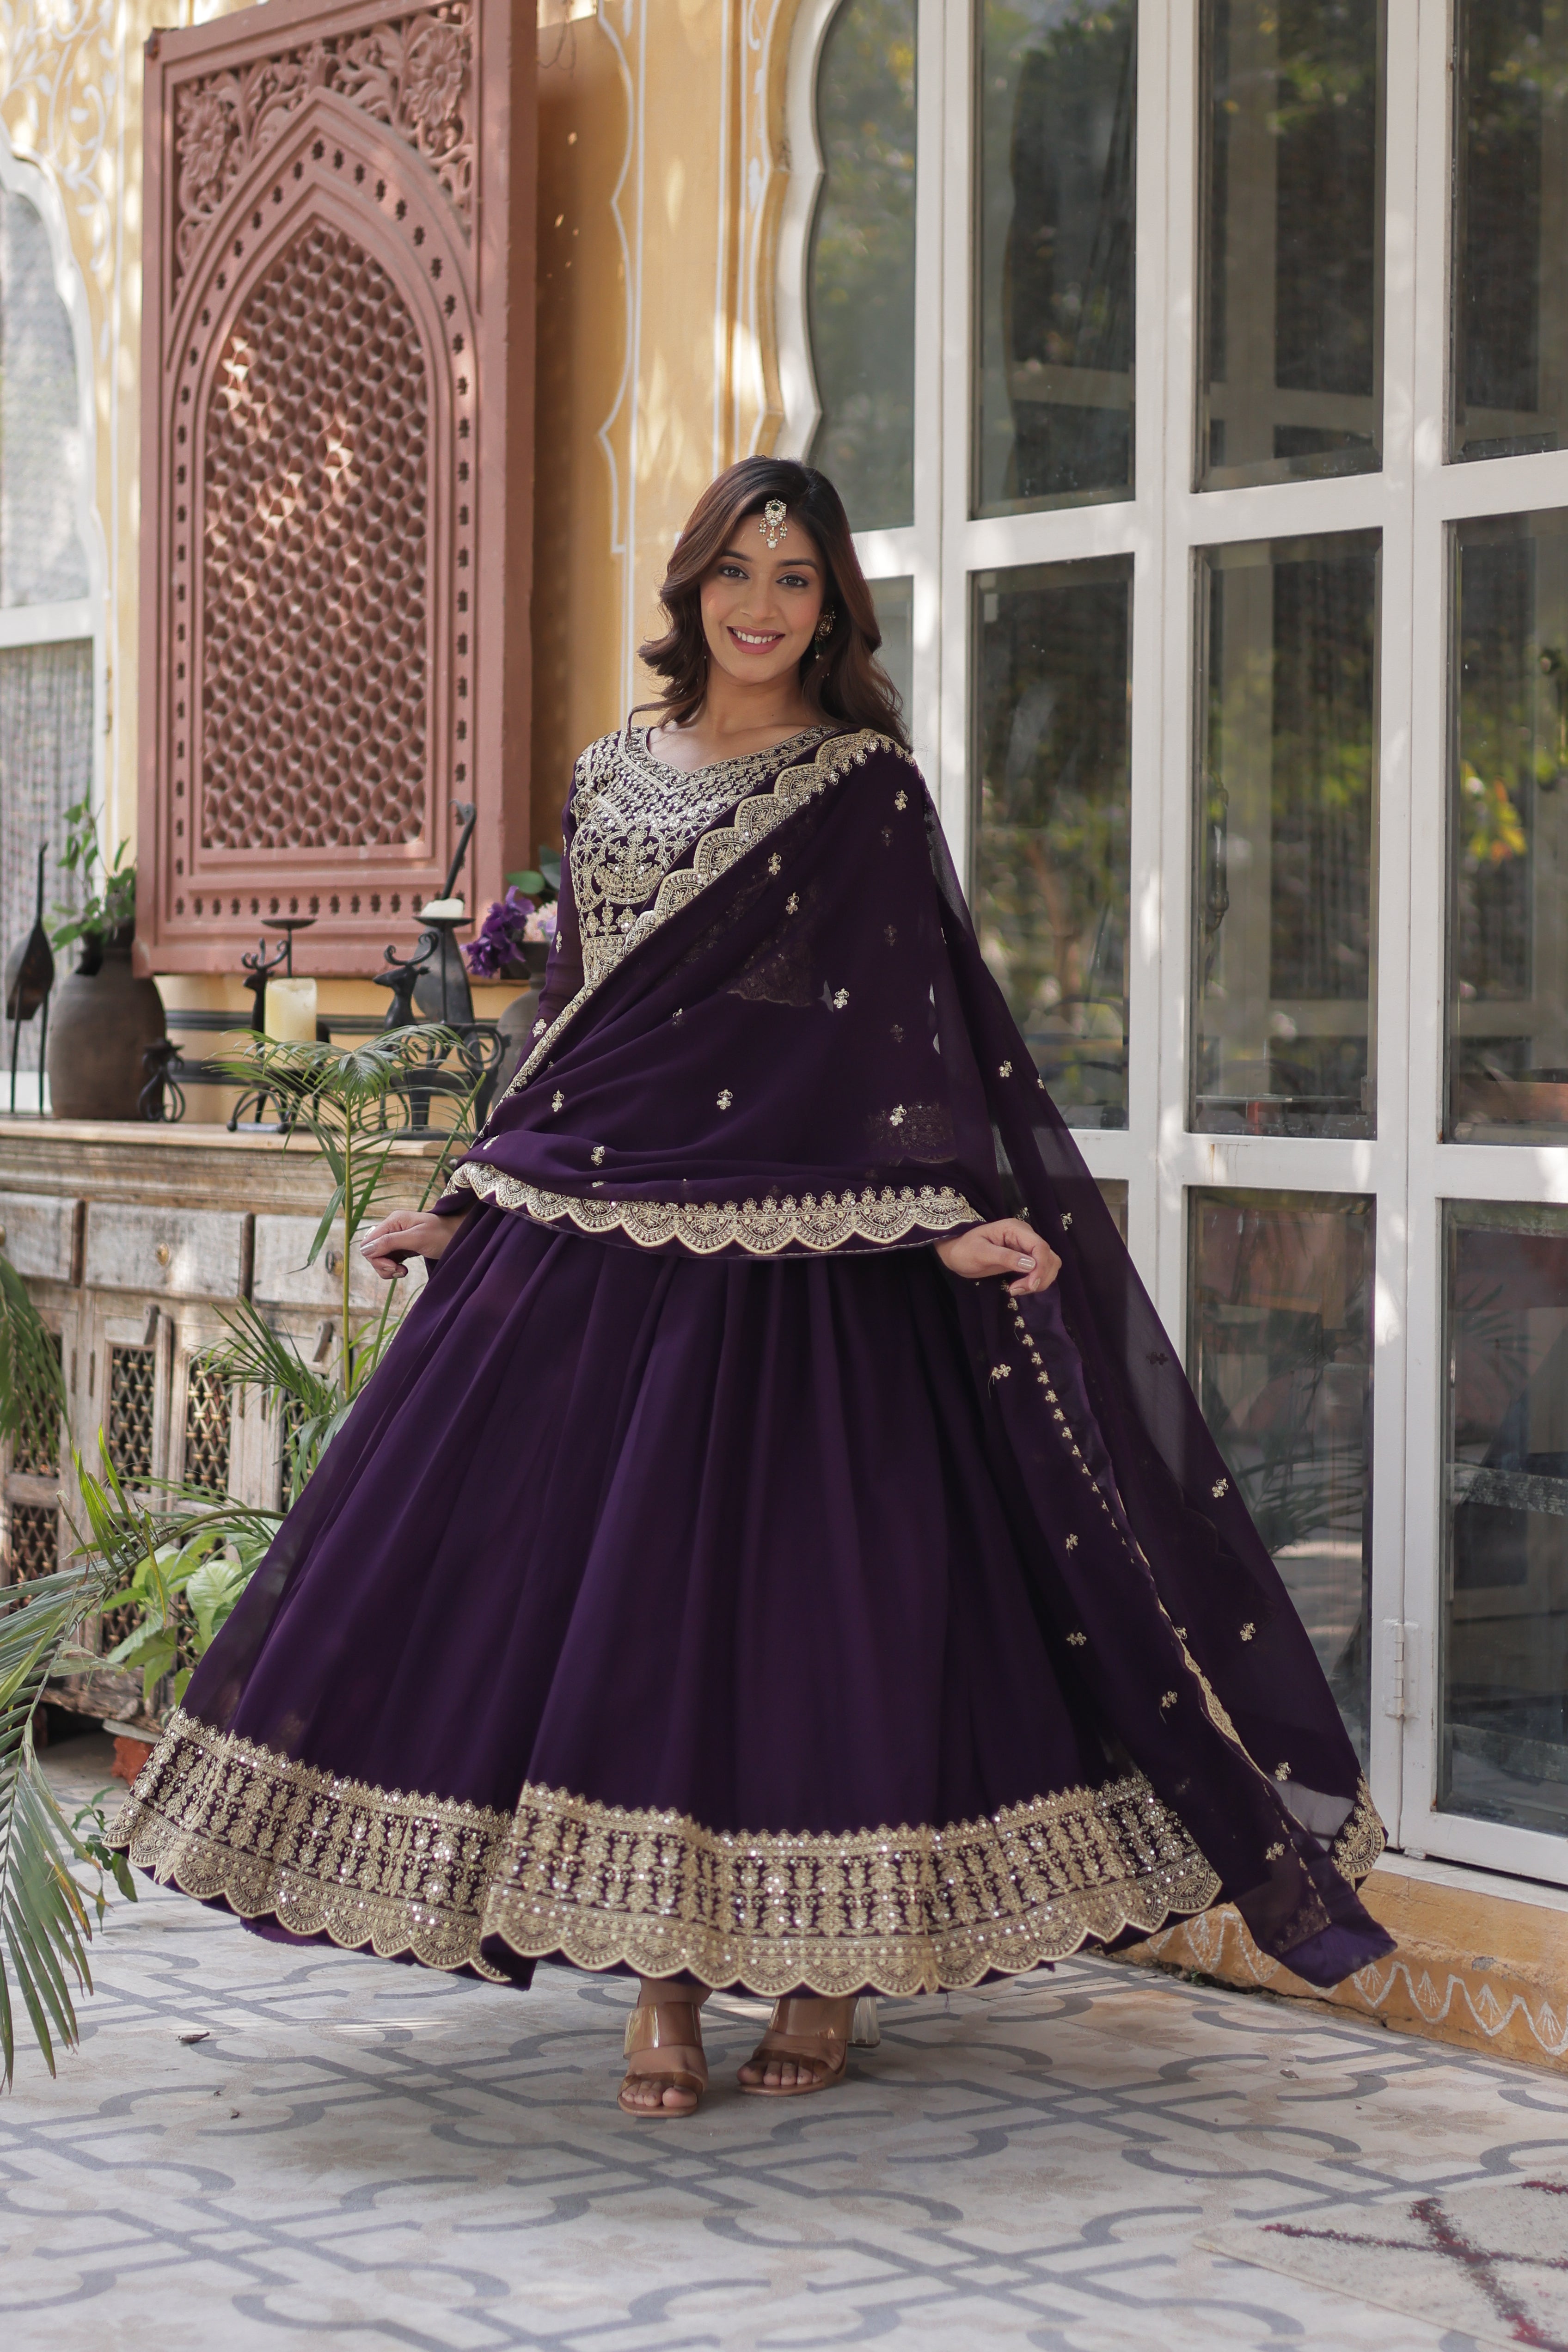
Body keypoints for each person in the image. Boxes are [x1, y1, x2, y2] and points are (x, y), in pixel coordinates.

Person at [113, 457, 1393, 2119]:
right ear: (692, 588)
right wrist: (469, 1201)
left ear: (834, 606)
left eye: (797, 580)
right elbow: (575, 1016)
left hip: (816, 1261)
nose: (763, 606)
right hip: (602, 1243)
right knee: (630, 1623)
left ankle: (815, 1974)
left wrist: (943, 1222)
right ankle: (658, 1981)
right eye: (737, 571)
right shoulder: (609, 774)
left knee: (809, 1620)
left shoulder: (863, 788)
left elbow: (901, 1034)